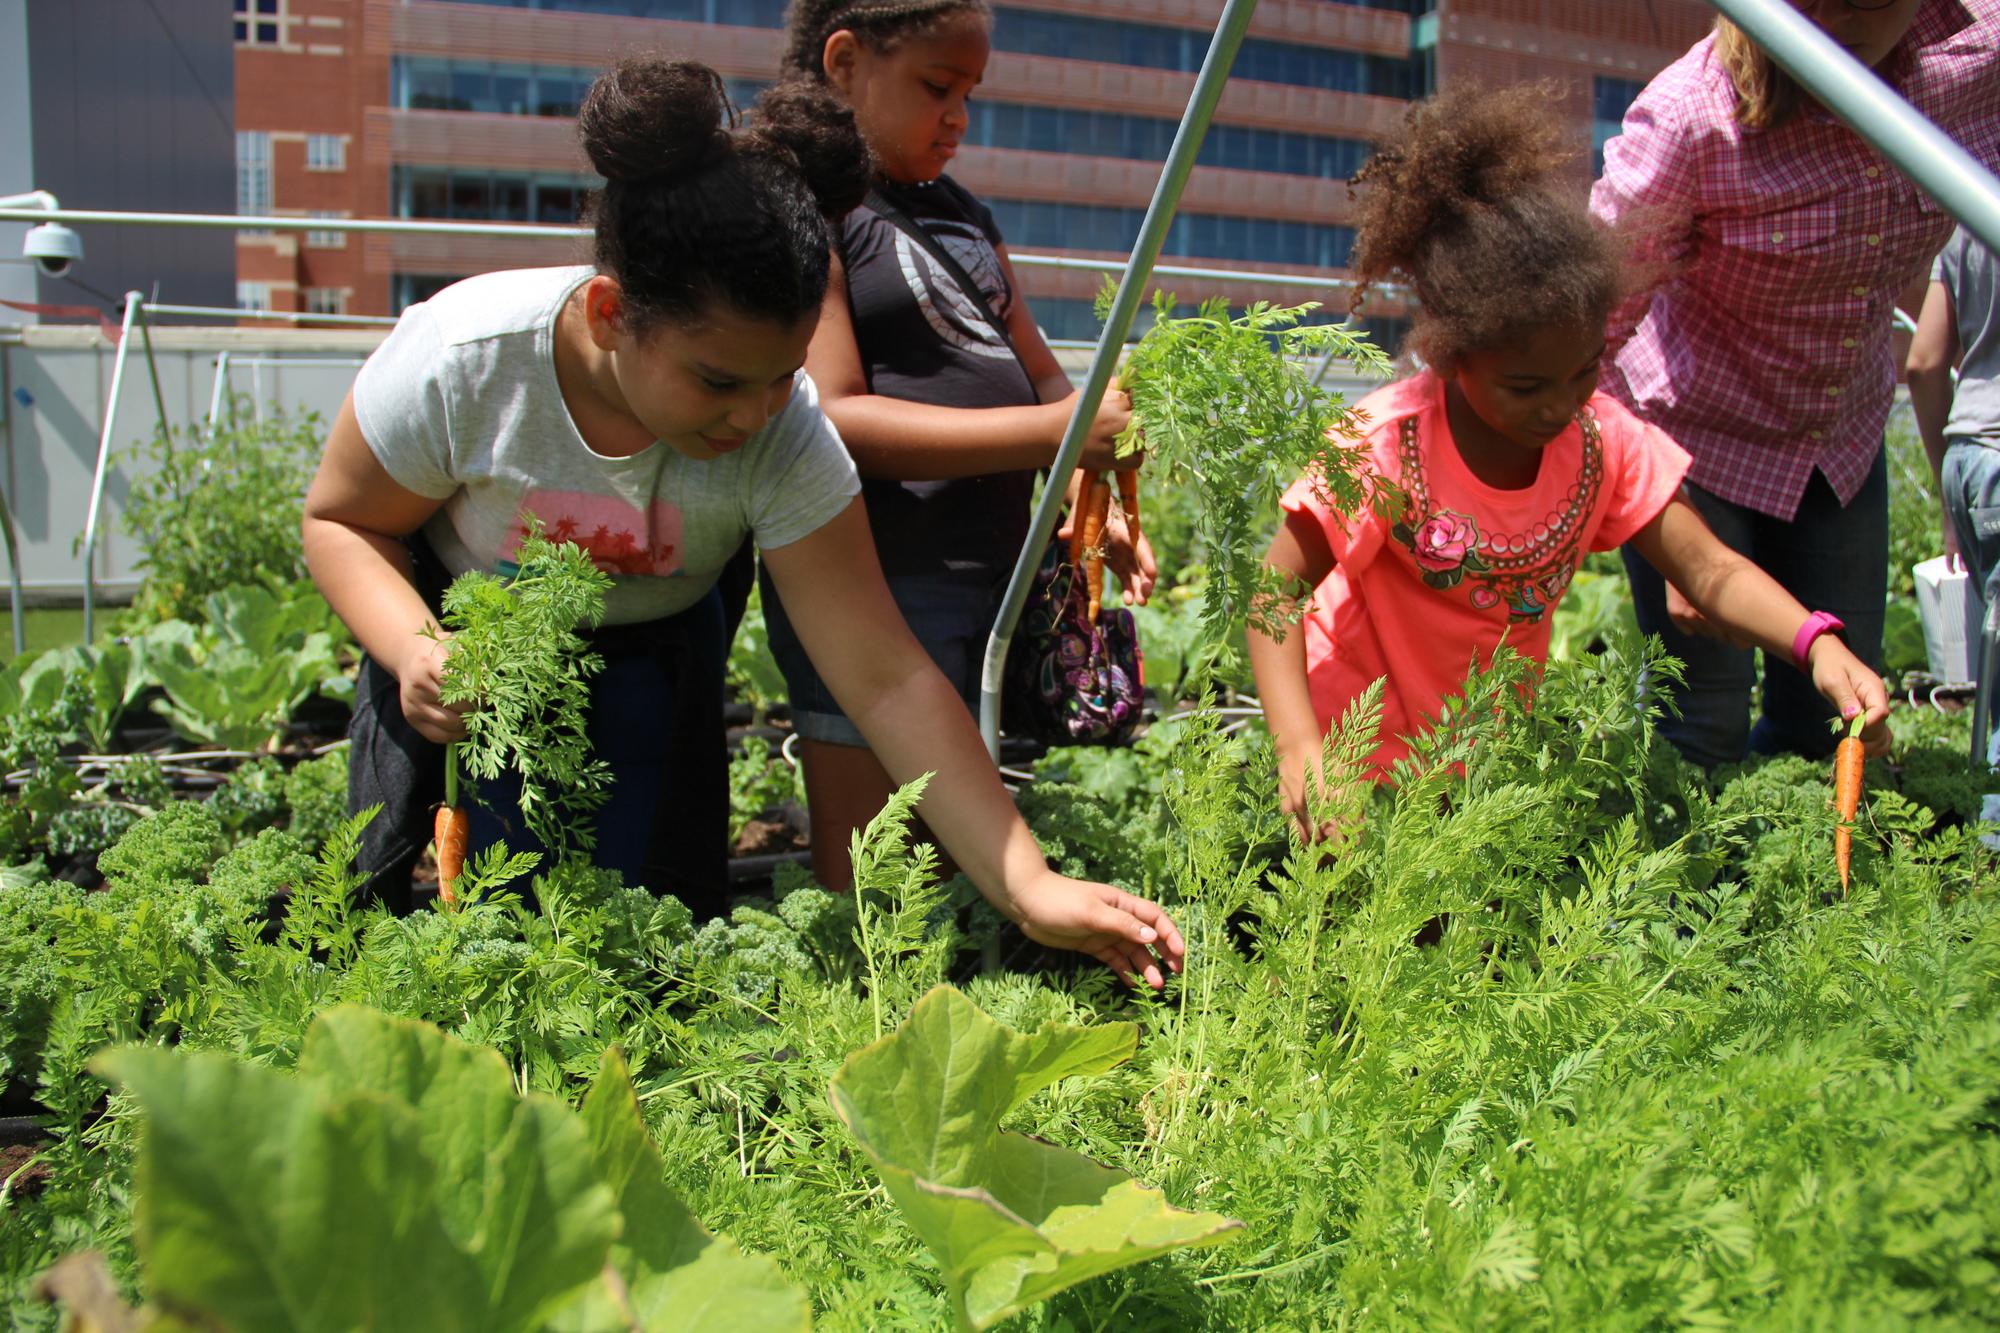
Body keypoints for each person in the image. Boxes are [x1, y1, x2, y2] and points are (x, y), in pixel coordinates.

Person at [301, 57, 1182, 988]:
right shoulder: (466, 360)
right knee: (457, 943)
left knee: (652, 951)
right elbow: (342, 520)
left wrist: (1027, 882)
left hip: (660, 656)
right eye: (720, 381)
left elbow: (884, 677)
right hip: (470, 661)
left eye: (783, 374)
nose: (753, 416)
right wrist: (413, 650)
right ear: (610, 314)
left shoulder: (785, 432)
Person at [1246, 86, 1892, 842]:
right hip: (1353, 748)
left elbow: (1711, 572)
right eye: (1526, 385)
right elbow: (1272, 593)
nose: (1559, 405)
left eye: (1583, 371)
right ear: (1452, 356)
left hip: (1483, 762)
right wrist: (1299, 747)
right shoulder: (1386, 446)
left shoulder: (1600, 442)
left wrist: (1816, 643)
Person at [765, 0, 1153, 894]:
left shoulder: (964, 214)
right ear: (844, 62)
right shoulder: (811, 209)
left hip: (989, 576)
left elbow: (1052, 383)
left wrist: (1091, 504)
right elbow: (838, 418)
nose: (959, 118)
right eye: (937, 87)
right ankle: (866, 1023)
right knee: (875, 875)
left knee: (958, 855)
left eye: (970, 93)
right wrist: (1053, 435)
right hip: (874, 584)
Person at [1588, 0, 1999, 767]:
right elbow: (1587, 325)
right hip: (1695, 450)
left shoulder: (1973, 62)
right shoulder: (1692, 118)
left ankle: (1816, 878)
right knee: (1696, 727)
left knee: (1833, 722)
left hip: (1837, 450)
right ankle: (1685, 883)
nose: (1853, 17)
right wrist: (1664, 524)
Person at [1908, 225, 2000, 827]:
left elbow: (1922, 362)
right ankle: (1990, 838)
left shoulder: (1970, 205)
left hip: (1969, 452)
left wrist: (1948, 492)